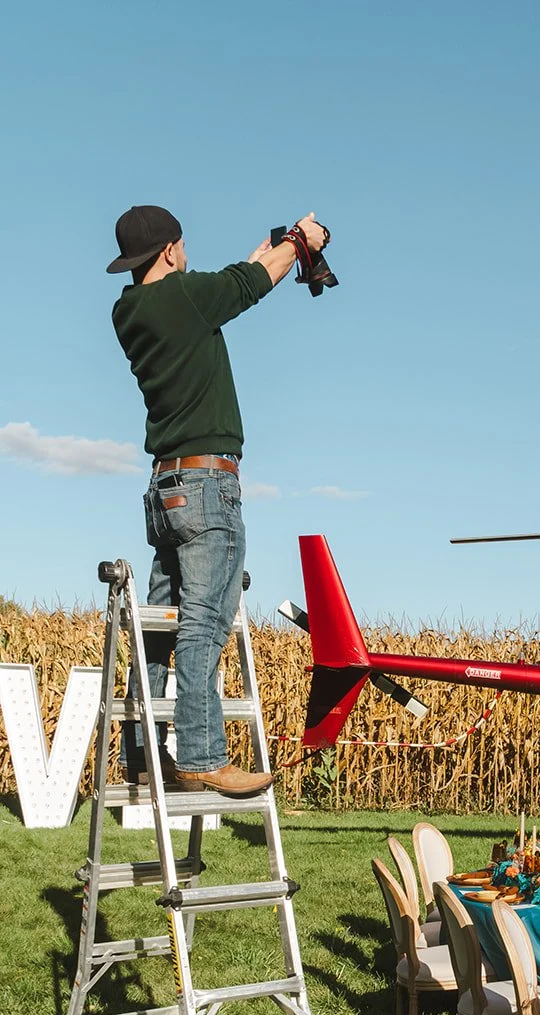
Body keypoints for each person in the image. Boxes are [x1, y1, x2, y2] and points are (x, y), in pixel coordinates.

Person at [108, 204, 328, 797]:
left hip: (166, 491)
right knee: (203, 624)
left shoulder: (129, 311)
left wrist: (271, 251)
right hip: (208, 488)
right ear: (173, 251)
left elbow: (238, 279)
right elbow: (249, 285)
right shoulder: (184, 297)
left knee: (160, 628)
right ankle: (203, 756)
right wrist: (306, 241)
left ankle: (142, 757)